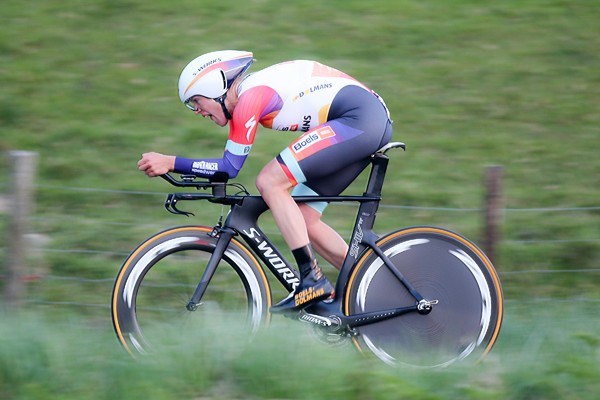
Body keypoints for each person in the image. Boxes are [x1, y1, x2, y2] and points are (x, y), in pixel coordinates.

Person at [138, 50, 393, 313]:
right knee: (303, 218)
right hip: (364, 121)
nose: (197, 111)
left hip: (360, 119)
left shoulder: (251, 97)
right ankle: (378, 287)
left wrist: (171, 162)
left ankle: (312, 280)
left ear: (214, 89)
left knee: (270, 181)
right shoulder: (251, 94)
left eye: (196, 101)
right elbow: (227, 167)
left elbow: (229, 167)